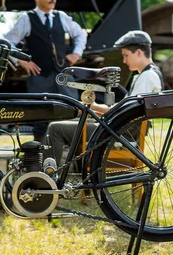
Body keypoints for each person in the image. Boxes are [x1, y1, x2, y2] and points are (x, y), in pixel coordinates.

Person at [46, 30, 164, 164]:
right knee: (75, 120)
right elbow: (125, 109)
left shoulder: (148, 77)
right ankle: (69, 168)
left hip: (119, 134)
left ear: (138, 52)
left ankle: (50, 173)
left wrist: (94, 107)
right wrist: (93, 108)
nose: (124, 61)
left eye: (126, 55)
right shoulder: (147, 75)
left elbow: (127, 111)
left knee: (55, 128)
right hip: (118, 129)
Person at [5, 0, 87, 142]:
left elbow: (81, 34)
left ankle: (71, 160)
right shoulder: (27, 19)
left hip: (64, 78)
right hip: (40, 79)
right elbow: (7, 42)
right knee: (40, 120)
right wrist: (22, 61)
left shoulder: (61, 17)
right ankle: (38, 160)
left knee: (72, 115)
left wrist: (76, 54)